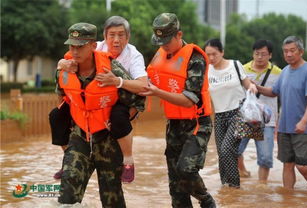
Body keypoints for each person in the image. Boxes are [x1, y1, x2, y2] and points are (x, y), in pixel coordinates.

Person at [54, 16, 147, 183]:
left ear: (128, 37)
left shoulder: (134, 56)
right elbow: (67, 60)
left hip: (122, 99)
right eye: (112, 35)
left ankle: (128, 160)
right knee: (57, 115)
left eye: (121, 35)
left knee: (118, 117)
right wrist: (62, 63)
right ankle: (67, 159)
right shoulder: (90, 47)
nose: (116, 40)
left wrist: (117, 82)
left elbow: (143, 86)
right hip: (90, 100)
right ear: (104, 36)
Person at [139, 13, 216, 208]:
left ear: (179, 34)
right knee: (175, 183)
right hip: (173, 123)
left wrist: (157, 92)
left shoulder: (195, 58)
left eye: (166, 40)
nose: (163, 45)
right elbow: (144, 80)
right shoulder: (160, 54)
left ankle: (206, 200)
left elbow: (189, 100)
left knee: (186, 170)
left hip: (197, 123)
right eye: (160, 40)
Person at [56, 22, 126, 206]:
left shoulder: (112, 68)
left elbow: (136, 101)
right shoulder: (64, 70)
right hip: (79, 136)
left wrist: (120, 123)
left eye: (80, 46)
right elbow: (61, 95)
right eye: (72, 46)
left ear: (93, 45)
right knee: (67, 192)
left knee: (112, 198)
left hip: (108, 140)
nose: (75, 51)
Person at [256, 36, 307, 189]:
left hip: (304, 128)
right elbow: (274, 92)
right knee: (287, 165)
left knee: (302, 165)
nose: (288, 54)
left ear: (301, 51)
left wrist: (304, 121)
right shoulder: (285, 71)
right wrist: (256, 87)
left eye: (292, 51)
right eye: (285, 51)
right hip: (284, 127)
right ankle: (288, 199)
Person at [203, 38, 257, 188]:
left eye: (214, 54)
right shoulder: (206, 70)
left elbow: (247, 83)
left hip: (238, 113)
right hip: (219, 116)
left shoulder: (235, 65)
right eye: (208, 55)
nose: (211, 58)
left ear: (222, 52)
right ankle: (225, 188)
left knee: (227, 150)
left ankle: (234, 187)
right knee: (222, 154)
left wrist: (252, 87)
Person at [237, 40, 282, 182]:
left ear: (270, 55)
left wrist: (256, 87)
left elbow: (276, 93)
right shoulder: (242, 69)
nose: (260, 57)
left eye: (263, 54)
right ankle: (243, 171)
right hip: (245, 118)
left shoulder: (278, 72)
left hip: (267, 121)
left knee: (265, 157)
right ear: (253, 54)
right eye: (257, 54)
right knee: (234, 150)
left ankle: (262, 184)